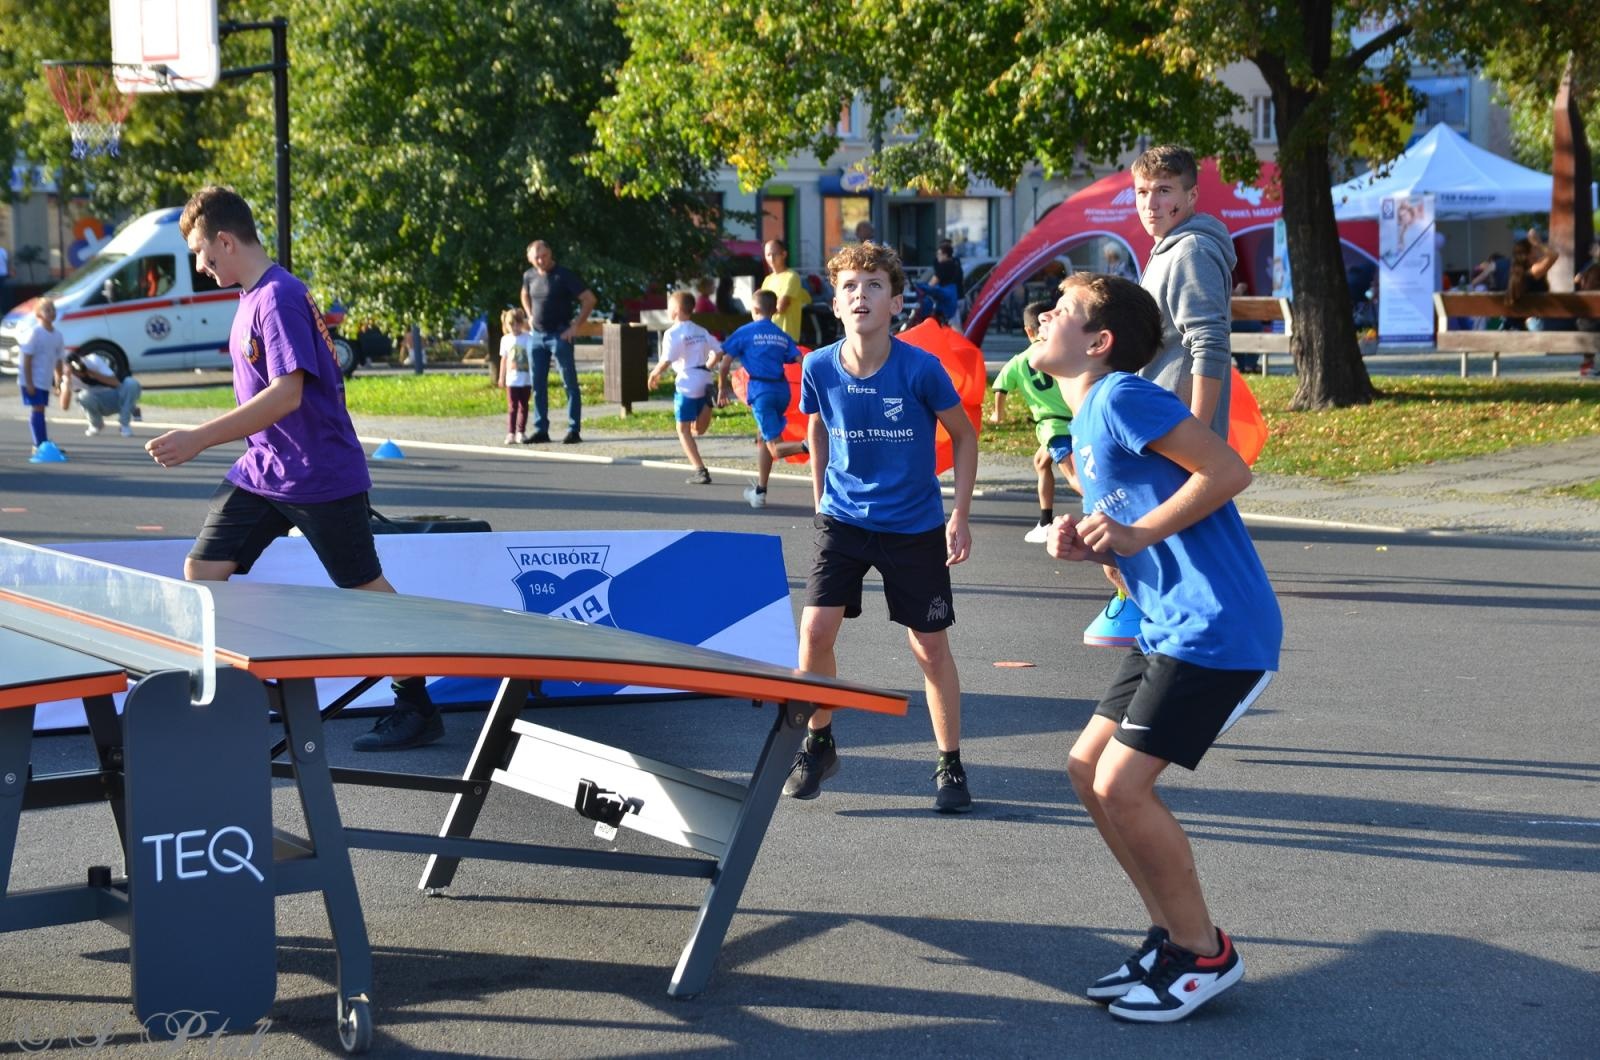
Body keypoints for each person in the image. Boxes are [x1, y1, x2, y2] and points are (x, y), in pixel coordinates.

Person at [1031, 272, 1280, 1024]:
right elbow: (1133, 538)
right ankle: (1172, 939)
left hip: (1218, 630)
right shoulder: (1086, 425)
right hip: (1163, 626)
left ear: (1099, 343)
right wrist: (1096, 550)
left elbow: (1229, 469)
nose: (1044, 317)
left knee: (1121, 787)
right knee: (1085, 770)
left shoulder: (1123, 397)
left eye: (1063, 312)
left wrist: (1137, 533)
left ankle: (1205, 953)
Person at [146, 185, 439, 752]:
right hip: (264, 470)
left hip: (319, 473)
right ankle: (250, 702)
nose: (201, 268)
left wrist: (199, 438)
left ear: (226, 241)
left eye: (202, 256)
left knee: (365, 589)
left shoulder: (278, 296)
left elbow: (286, 396)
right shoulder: (251, 297)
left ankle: (417, 705)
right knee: (202, 574)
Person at [788, 240, 978, 813]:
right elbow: (816, 429)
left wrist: (960, 515)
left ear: (896, 303)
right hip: (843, 519)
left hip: (914, 524)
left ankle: (949, 763)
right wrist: (820, 497)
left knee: (928, 647)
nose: (860, 295)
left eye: (873, 285)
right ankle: (819, 740)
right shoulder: (819, 365)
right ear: (837, 303)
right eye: (849, 286)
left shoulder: (921, 368)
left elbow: (964, 436)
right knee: (815, 634)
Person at [1082, 143, 1236, 650]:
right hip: (1156, 427)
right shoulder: (1168, 247)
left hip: (1175, 433)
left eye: (1164, 191)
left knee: (1168, 559)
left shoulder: (1190, 250)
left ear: (1190, 195)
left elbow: (1208, 341)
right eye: (1142, 192)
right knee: (1139, 554)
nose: (1150, 203)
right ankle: (1160, 647)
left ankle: (1185, 657)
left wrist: (1198, 435)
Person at [989, 300, 1077, 543]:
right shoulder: (1064, 350)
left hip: (1053, 427)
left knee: (1073, 476)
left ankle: (1107, 510)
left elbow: (1000, 386)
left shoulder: (1020, 360)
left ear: (1029, 331)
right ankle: (1045, 520)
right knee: (1040, 462)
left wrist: (999, 413)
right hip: (1077, 419)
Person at [718, 288, 807, 507]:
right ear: (775, 309)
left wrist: (721, 388)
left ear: (754, 308)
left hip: (761, 391)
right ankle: (760, 490)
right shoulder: (780, 334)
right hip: (781, 391)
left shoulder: (746, 331)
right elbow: (800, 359)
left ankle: (811, 445)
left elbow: (725, 361)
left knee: (774, 447)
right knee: (763, 437)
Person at [520, 240, 596, 444]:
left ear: (550, 254)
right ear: (530, 258)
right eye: (536, 257)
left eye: (543, 256)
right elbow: (524, 294)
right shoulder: (529, 275)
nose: (540, 260)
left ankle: (574, 429)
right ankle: (541, 429)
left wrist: (575, 326)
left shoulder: (564, 275)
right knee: (537, 384)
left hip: (560, 335)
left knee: (569, 382)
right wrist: (529, 314)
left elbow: (589, 299)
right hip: (537, 337)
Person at [648, 290, 722, 485]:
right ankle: (707, 403)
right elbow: (719, 351)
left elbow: (667, 359)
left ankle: (700, 470)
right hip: (704, 377)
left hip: (687, 381)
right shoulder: (701, 330)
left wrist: (655, 373)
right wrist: (709, 365)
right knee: (697, 429)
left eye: (669, 307)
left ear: (677, 310)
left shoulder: (673, 333)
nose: (668, 310)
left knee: (683, 430)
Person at [17, 298, 67, 455]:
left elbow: (58, 360)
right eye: (47, 310)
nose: (51, 312)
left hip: (45, 379)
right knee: (37, 408)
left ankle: (43, 442)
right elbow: (27, 359)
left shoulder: (57, 335)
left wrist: (58, 382)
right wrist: (29, 383)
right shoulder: (35, 333)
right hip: (31, 379)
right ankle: (39, 444)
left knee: (41, 409)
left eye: (53, 309)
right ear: (38, 314)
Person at [66, 347, 143, 437]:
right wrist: (66, 381)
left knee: (131, 383)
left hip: (115, 396)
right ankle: (96, 424)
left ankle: (124, 425)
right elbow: (64, 406)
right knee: (83, 396)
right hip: (97, 402)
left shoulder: (93, 360)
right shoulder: (67, 376)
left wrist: (90, 372)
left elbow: (115, 382)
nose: (80, 371)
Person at [1504, 230, 1559, 332]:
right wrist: (1538, 243)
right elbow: (1554, 255)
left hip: (1516, 325)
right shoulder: (1533, 272)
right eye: (1535, 249)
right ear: (1529, 254)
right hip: (1532, 326)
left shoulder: (1516, 273)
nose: (1539, 251)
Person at [759, 239, 810, 342]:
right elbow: (760, 308)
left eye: (775, 254)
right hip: (768, 337)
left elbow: (781, 307)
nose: (772, 258)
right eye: (768, 255)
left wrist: (764, 310)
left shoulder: (792, 276)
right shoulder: (767, 280)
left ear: (784, 254)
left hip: (786, 338)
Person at [498, 307, 534, 444]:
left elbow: (532, 357)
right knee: (512, 407)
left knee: (524, 405)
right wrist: (501, 377)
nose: (515, 326)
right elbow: (504, 359)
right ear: (507, 325)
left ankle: (521, 431)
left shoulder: (528, 338)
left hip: (525, 379)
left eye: (518, 323)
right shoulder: (505, 340)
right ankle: (511, 432)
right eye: (511, 324)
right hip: (512, 380)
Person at [1575, 261, 1600, 378]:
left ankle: (1587, 366)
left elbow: (1577, 279)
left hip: (1584, 321)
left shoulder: (1590, 269)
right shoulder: (1594, 269)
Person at [932, 241, 964, 327]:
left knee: (954, 327)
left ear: (945, 255)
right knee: (954, 325)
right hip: (959, 297)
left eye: (939, 254)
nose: (937, 256)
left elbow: (932, 283)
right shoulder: (956, 263)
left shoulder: (943, 266)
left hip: (950, 300)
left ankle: (957, 340)